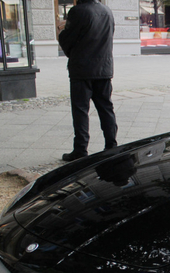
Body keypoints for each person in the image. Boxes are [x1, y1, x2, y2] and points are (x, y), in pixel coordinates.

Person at [58, 0, 118, 162]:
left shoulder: (78, 11)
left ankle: (80, 149)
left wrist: (61, 31)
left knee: (80, 110)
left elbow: (68, 39)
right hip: (103, 68)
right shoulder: (107, 11)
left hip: (82, 69)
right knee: (106, 108)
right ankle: (111, 145)